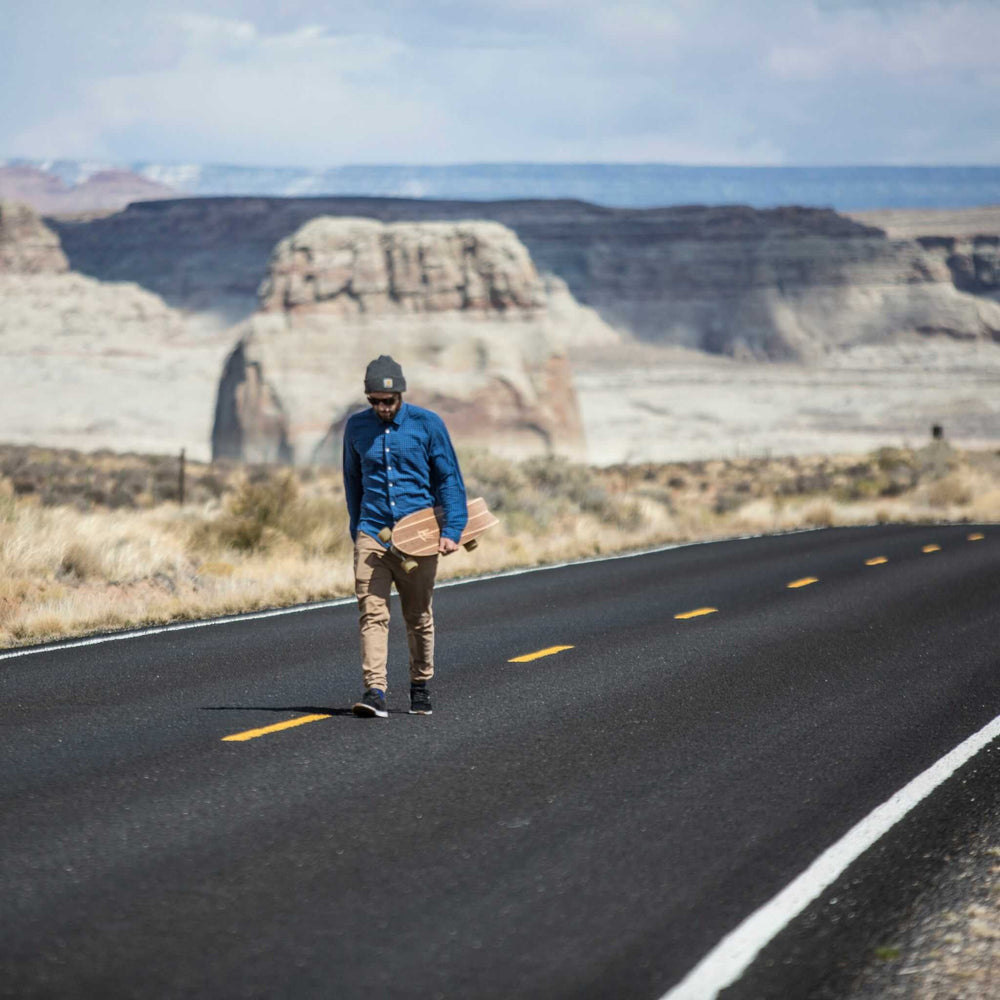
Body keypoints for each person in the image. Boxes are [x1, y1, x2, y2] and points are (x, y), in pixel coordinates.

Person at [342, 355, 468, 718]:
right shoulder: (356, 428)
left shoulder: (427, 425)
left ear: (400, 394)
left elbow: (449, 479)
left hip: (421, 535)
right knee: (372, 613)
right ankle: (375, 691)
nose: (381, 408)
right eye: (374, 401)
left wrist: (453, 529)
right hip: (374, 533)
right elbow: (352, 480)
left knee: (417, 615)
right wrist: (358, 530)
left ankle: (420, 683)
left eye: (388, 401)